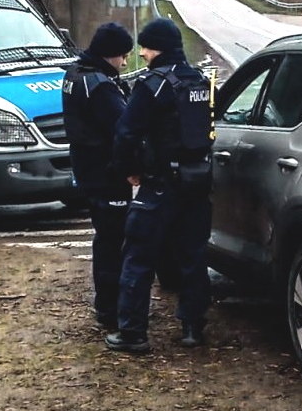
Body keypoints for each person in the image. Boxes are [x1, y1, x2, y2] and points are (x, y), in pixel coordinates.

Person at [106, 18, 215, 353]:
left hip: (161, 183)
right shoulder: (198, 79)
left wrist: (129, 170)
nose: (142, 53)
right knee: (193, 255)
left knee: (138, 255)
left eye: (146, 47)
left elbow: (126, 133)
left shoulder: (152, 84)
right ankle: (193, 328)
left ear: (158, 48)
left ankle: (132, 332)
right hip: (197, 181)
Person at [61, 22, 134, 333]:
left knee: (105, 237)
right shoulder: (100, 86)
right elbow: (124, 127)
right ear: (110, 55)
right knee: (113, 242)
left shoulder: (74, 74)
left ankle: (108, 306)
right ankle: (111, 310)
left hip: (87, 169)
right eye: (122, 56)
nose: (125, 62)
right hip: (106, 173)